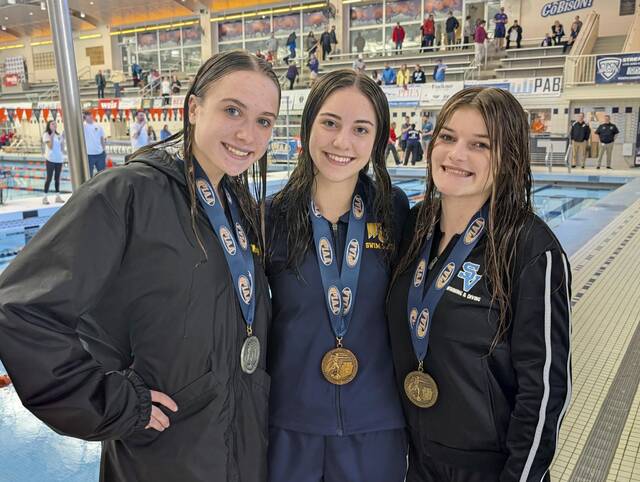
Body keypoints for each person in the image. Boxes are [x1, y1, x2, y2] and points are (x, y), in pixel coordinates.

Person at [0, 50, 280, 482]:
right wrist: (113, 403)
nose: (248, 133)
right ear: (193, 108)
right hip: (162, 458)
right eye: (232, 110)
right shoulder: (127, 195)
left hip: (240, 450)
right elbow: (18, 309)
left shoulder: (238, 205)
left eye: (263, 120)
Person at [387, 87, 571, 482]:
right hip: (416, 460)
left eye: (480, 145)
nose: (456, 155)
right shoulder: (413, 227)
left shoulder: (529, 248)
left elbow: (544, 392)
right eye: (448, 137)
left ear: (508, 158)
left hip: (489, 469)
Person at [266, 68, 409, 482]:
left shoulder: (394, 211)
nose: (342, 142)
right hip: (289, 425)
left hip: (375, 425)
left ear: (377, 141)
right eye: (330, 123)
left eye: (360, 129)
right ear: (308, 125)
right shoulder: (271, 217)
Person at [41, 120, 65, 205]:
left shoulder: (58, 135)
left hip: (59, 159)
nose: (54, 125)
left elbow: (62, 148)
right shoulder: (46, 135)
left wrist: (63, 138)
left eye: (55, 124)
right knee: (49, 178)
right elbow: (50, 147)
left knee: (57, 179)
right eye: (52, 124)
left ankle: (57, 196)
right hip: (50, 159)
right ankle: (44, 197)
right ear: (49, 125)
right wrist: (52, 134)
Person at [83, 110, 106, 177]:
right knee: (89, 175)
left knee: (103, 175)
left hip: (100, 154)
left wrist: (104, 151)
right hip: (89, 155)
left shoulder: (98, 126)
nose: (90, 116)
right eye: (87, 115)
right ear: (84, 117)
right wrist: (82, 117)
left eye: (90, 114)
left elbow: (102, 139)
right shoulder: (83, 126)